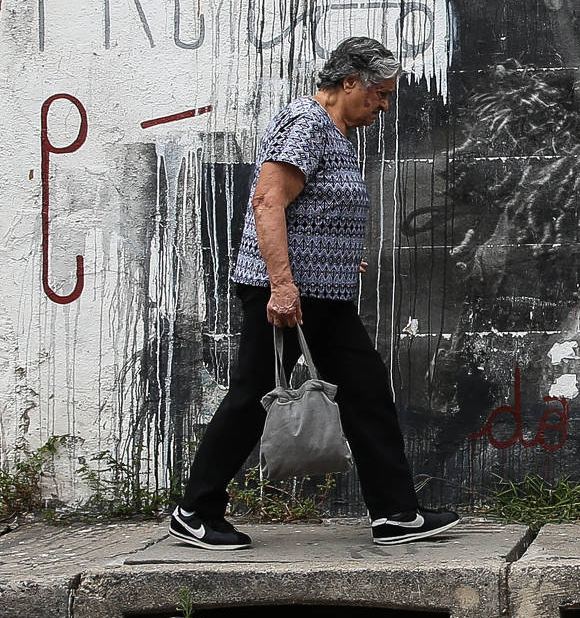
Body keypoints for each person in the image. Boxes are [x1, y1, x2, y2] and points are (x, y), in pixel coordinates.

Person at [167, 37, 460, 550]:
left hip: (323, 296)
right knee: (251, 399)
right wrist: (281, 285)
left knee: (367, 392)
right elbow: (267, 201)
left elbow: (312, 210)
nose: (384, 106)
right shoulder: (305, 123)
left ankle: (395, 514)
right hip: (285, 299)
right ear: (349, 83)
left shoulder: (334, 132)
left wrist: (342, 252)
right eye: (380, 95)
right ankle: (194, 510)